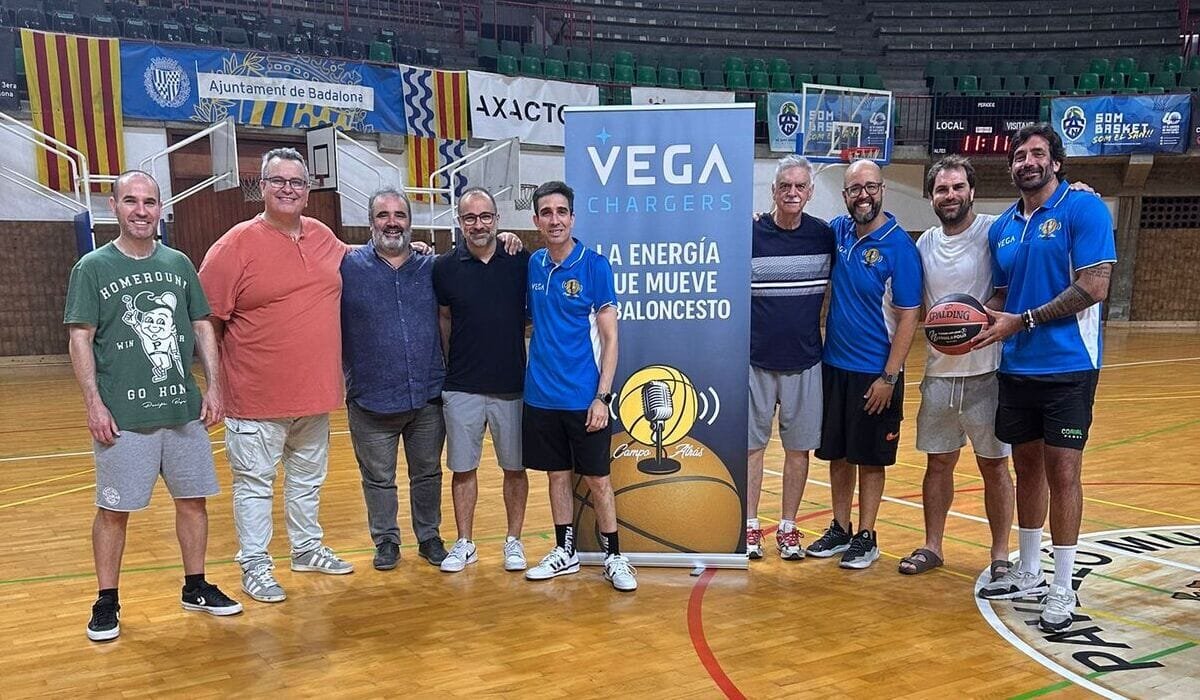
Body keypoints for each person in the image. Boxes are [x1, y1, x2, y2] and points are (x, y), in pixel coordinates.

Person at [66, 170, 242, 641]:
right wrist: (94, 404)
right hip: (124, 416)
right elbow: (79, 337)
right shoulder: (93, 267)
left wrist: (214, 387)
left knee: (193, 502)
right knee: (113, 510)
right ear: (114, 208)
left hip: (182, 411)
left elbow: (203, 325)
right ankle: (107, 600)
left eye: (149, 202)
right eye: (131, 201)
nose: (140, 210)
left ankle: (196, 585)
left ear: (160, 208)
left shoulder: (180, 263)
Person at [974, 124, 1116, 634]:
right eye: (1019, 155)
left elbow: (1094, 287)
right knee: (1027, 471)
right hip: (1018, 368)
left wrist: (1025, 320)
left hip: (1069, 367)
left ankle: (1062, 583)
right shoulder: (1004, 227)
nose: (1027, 161)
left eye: (1038, 154)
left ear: (1056, 162)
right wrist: (961, 320)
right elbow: (1005, 295)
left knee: (1063, 474)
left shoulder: (1084, 209)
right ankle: (1029, 571)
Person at [199, 148, 353, 604]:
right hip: (255, 397)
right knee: (254, 485)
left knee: (308, 480)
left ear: (308, 192)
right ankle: (255, 566)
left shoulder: (324, 237)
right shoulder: (234, 246)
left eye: (297, 182)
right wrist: (215, 384)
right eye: (277, 180)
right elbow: (205, 319)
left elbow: (361, 261)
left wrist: (411, 245)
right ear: (260, 187)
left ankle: (305, 549)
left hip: (315, 395)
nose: (288, 188)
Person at [898, 155, 1014, 579]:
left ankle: (1001, 554)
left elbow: (1006, 285)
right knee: (939, 463)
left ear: (972, 190)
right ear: (931, 196)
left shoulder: (993, 230)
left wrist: (981, 317)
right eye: (942, 189)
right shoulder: (924, 243)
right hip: (939, 374)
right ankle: (933, 545)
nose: (950, 195)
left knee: (994, 465)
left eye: (957, 187)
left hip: (989, 372)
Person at [521, 180, 637, 592]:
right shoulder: (533, 264)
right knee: (556, 477)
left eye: (561, 212)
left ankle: (614, 557)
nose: (554, 219)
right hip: (541, 397)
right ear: (536, 220)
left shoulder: (595, 266)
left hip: (586, 400)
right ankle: (565, 552)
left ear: (572, 217)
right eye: (546, 213)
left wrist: (602, 397)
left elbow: (610, 339)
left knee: (598, 480)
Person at [808, 160, 923, 569]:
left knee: (871, 459)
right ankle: (840, 527)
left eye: (870, 187)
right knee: (838, 455)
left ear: (882, 189)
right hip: (834, 367)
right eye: (855, 189)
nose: (863, 195)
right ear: (845, 196)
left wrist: (888, 376)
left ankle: (867, 535)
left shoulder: (900, 249)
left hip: (877, 374)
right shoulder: (839, 231)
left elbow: (910, 316)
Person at [340, 187, 449, 570]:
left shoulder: (431, 266)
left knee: (428, 473)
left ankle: (430, 536)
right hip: (370, 398)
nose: (392, 222)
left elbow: (476, 258)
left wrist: (508, 238)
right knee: (378, 479)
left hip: (426, 396)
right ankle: (386, 541)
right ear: (370, 223)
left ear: (410, 222)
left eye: (399, 215)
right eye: (383, 215)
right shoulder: (347, 267)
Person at [433, 187, 531, 573]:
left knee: (515, 469)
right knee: (462, 468)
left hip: (512, 385)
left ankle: (514, 541)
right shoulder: (444, 266)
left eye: (485, 216)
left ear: (498, 220)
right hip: (461, 386)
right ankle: (465, 542)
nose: (478, 224)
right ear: (460, 222)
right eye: (470, 218)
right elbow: (444, 317)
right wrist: (449, 362)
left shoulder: (518, 259)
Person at [746, 155, 833, 561]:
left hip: (805, 361)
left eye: (800, 186)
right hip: (755, 360)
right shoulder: (750, 233)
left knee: (798, 451)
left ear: (810, 192)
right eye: (785, 186)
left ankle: (787, 527)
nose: (792, 193)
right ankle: (749, 527)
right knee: (751, 448)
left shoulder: (823, 237)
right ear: (774, 191)